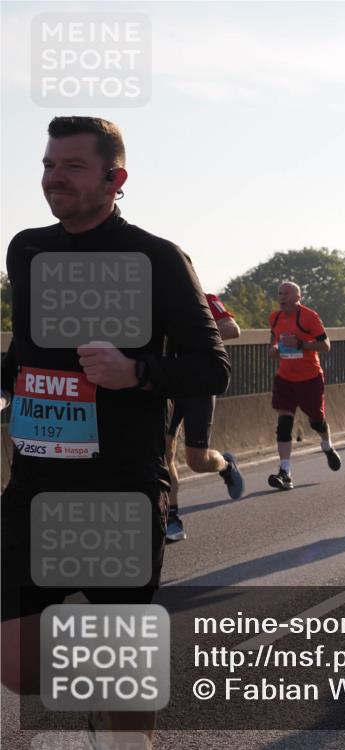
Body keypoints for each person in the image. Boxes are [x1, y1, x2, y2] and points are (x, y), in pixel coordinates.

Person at [0, 116, 230, 747]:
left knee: (120, 667)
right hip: (36, 481)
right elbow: (29, 351)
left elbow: (213, 365)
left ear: (114, 177)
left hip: (120, 486)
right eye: (48, 165)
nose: (54, 178)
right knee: (18, 668)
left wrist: (137, 371)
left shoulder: (155, 257)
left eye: (72, 167)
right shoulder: (27, 248)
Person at [164, 293, 245, 542]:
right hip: (166, 383)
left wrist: (191, 341)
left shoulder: (203, 298)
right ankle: (172, 518)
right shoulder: (153, 299)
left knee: (196, 461)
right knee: (163, 452)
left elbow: (232, 329)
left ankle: (226, 465)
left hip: (198, 385)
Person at [267, 282, 342, 491]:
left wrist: (302, 344)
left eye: (286, 293)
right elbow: (273, 340)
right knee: (284, 424)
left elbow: (326, 345)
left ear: (297, 297)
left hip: (310, 378)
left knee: (317, 422)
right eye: (279, 293)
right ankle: (285, 472)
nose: (281, 297)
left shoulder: (309, 316)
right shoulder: (275, 317)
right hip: (285, 378)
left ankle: (327, 445)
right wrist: (273, 350)